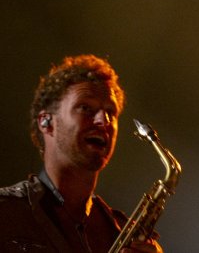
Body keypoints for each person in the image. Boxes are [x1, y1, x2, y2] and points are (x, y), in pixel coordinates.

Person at [0, 54, 163, 252]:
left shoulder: (123, 232)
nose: (103, 121)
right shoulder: (6, 212)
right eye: (85, 108)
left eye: (111, 112)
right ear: (46, 122)